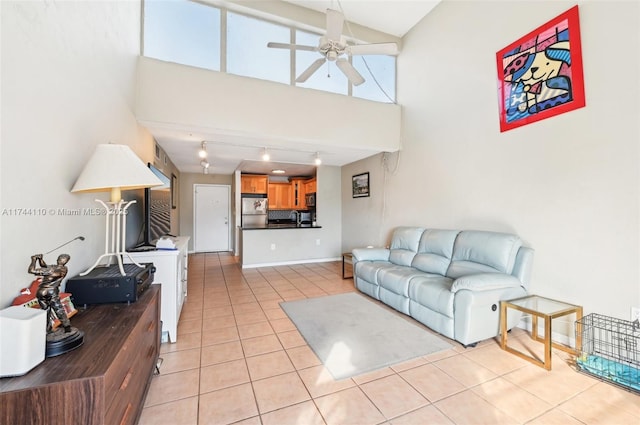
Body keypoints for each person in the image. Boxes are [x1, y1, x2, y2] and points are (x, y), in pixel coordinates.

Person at [28, 253, 72, 332]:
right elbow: (45, 267)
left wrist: (33, 260)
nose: (60, 259)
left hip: (42, 292)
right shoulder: (63, 268)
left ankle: (48, 330)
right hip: (51, 292)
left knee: (46, 311)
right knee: (58, 309)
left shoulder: (53, 269)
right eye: (60, 257)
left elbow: (31, 270)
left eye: (62, 258)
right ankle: (66, 327)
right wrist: (40, 259)